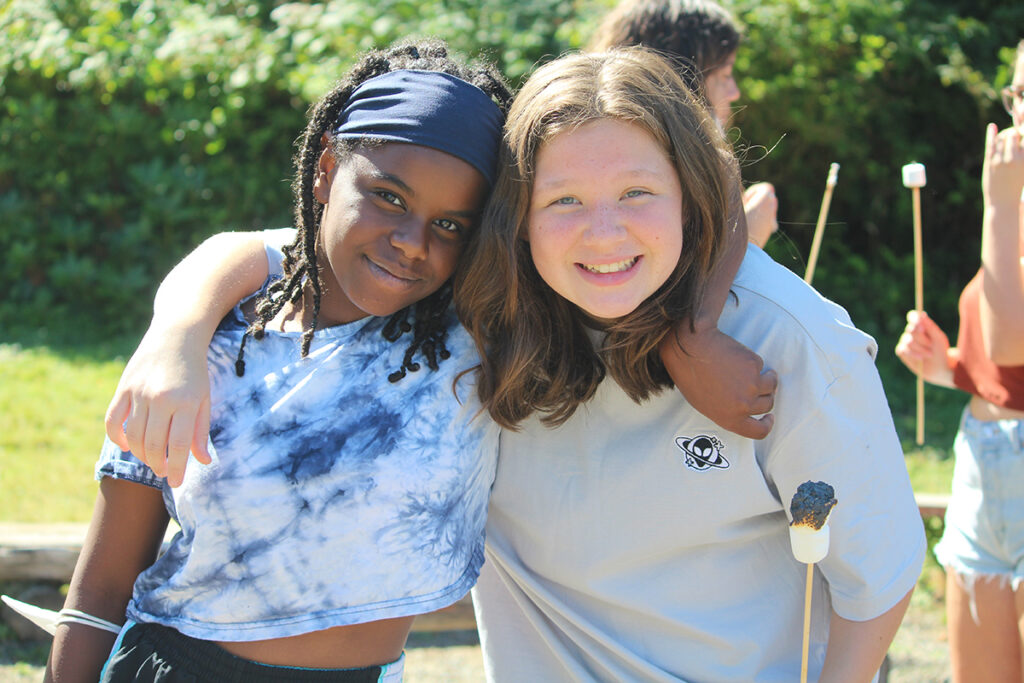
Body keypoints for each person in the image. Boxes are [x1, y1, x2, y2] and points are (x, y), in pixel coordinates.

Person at [104, 48, 923, 681]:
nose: (602, 233)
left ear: (688, 193)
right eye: (563, 200)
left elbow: (875, 575)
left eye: (638, 193)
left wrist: (694, 324)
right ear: (517, 218)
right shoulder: (494, 310)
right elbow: (285, 249)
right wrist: (177, 324)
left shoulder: (788, 343)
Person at [45, 39, 513, 682]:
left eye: (451, 225)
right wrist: (178, 329)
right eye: (389, 197)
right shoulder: (211, 337)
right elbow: (99, 588)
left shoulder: (474, 341)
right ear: (324, 169)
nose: (412, 244)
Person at [895, 39, 1024, 683]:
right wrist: (945, 366)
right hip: (983, 455)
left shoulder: (1008, 204)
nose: (1021, 114)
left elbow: (1012, 342)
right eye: (1019, 94)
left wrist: (998, 206)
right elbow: (1001, 367)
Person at [588, 0, 780, 248]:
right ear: (686, 79)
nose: (734, 92)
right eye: (725, 74)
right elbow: (688, 283)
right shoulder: (652, 166)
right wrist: (748, 238)